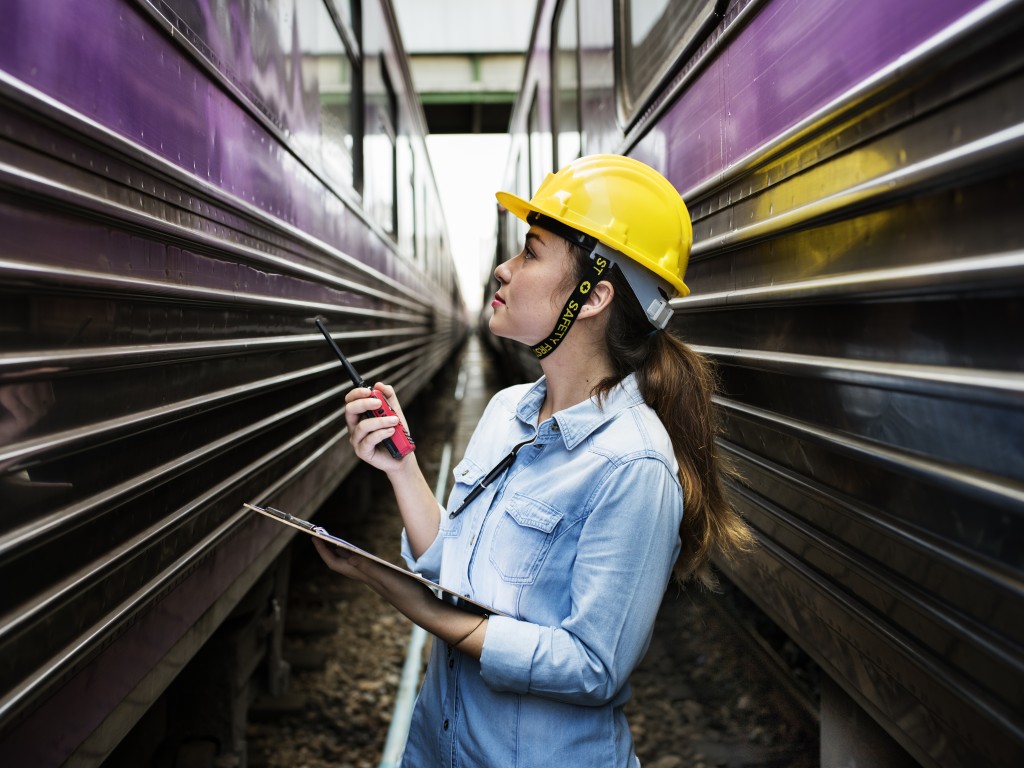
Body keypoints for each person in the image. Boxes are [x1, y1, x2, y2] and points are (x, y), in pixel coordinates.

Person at [314, 154, 755, 767]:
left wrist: (421, 609)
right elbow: (455, 566)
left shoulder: (635, 464)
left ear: (594, 296)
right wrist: (400, 466)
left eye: (530, 251)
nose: (504, 267)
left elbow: (594, 665)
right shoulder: (505, 412)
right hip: (440, 749)